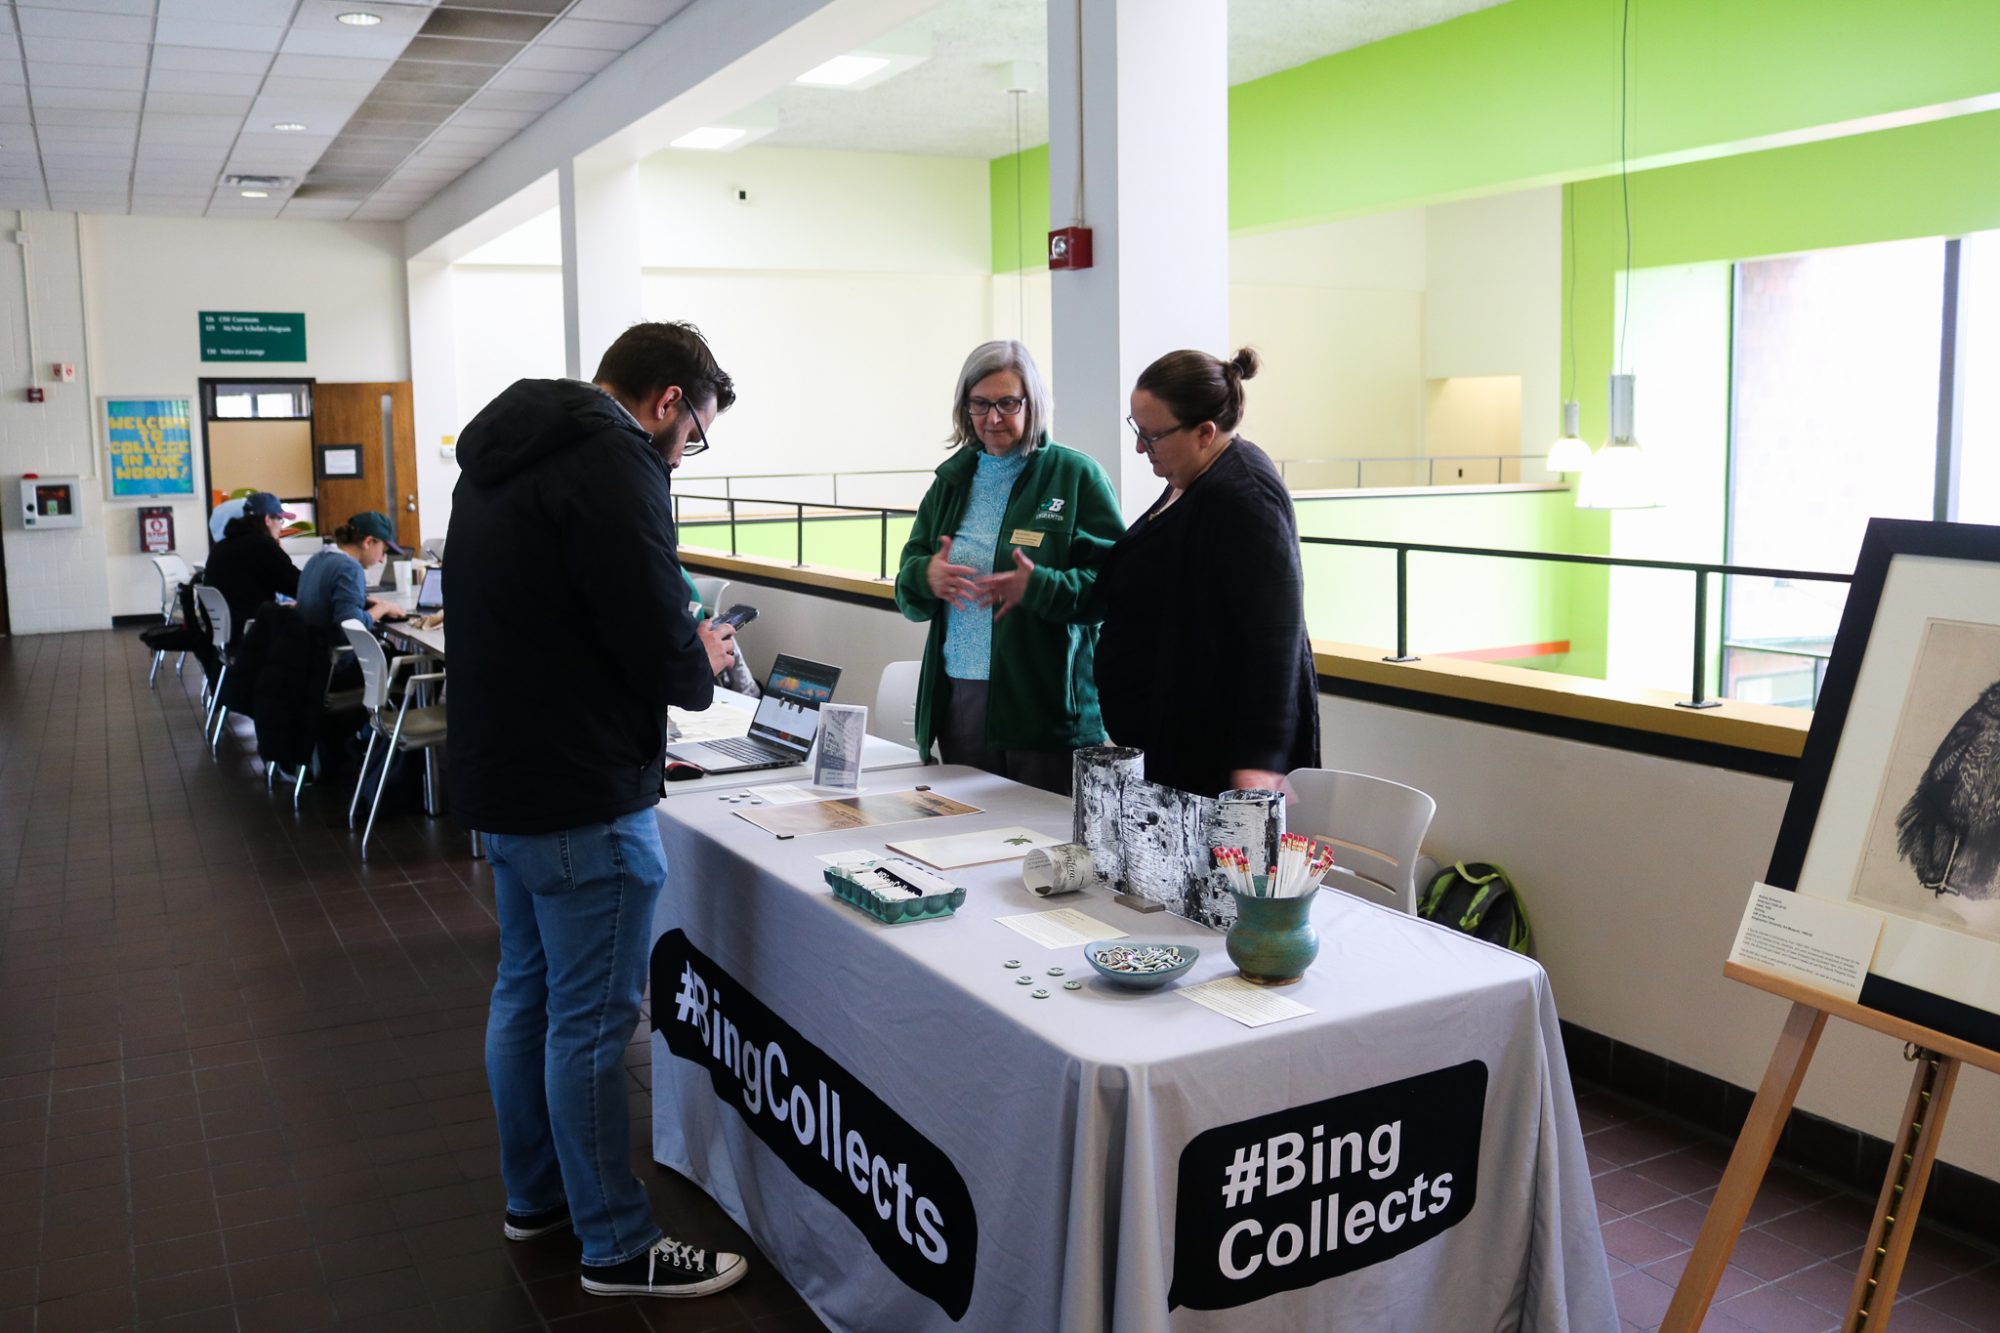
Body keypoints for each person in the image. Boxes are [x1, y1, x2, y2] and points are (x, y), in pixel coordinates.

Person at [446, 322, 747, 1302]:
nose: (684, 452)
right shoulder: (616, 462)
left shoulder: (502, 453)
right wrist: (698, 658)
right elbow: (652, 633)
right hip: (582, 792)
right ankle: (615, 1242)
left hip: (506, 781)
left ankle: (536, 1197)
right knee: (589, 1026)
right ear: (668, 402)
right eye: (694, 432)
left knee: (525, 998)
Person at [893, 341, 1123, 795]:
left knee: (1045, 835)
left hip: (1045, 706)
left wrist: (1039, 586)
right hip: (961, 695)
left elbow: (1113, 588)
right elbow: (908, 592)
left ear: (1032, 403)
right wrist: (926, 577)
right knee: (967, 832)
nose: (992, 418)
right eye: (979, 404)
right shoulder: (950, 482)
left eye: (1007, 403)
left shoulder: (1076, 476)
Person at [1092, 347, 1320, 797]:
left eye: (1152, 436)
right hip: (1177, 740)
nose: (1140, 447)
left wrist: (1259, 761)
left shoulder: (1246, 495)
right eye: (1137, 430)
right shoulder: (1190, 479)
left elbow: (1276, 635)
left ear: (1204, 432)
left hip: (1223, 760)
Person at [202, 492, 299, 646]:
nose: (281, 526)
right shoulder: (262, 546)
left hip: (225, 635)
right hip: (253, 633)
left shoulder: (220, 547)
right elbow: (296, 586)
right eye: (280, 520)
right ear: (267, 519)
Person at [296, 511, 410, 638]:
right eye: (384, 551)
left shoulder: (317, 559)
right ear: (368, 542)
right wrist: (384, 607)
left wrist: (365, 601)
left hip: (308, 645)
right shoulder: (350, 568)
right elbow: (353, 627)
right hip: (331, 649)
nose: (382, 560)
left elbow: (327, 601)